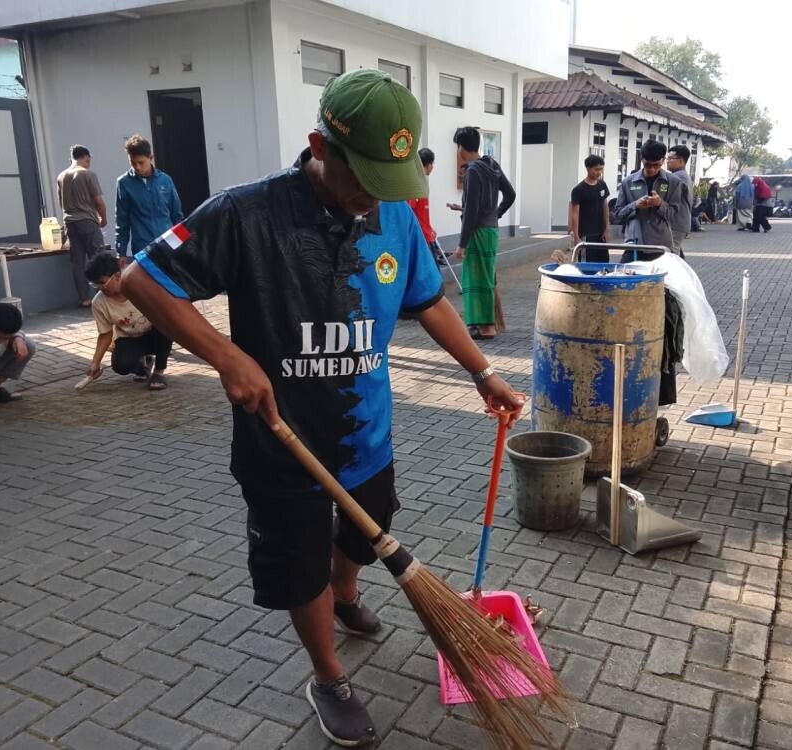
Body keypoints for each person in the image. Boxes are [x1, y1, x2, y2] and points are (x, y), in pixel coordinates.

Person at [119, 69, 525, 747]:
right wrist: (226, 355)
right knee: (298, 561)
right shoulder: (245, 213)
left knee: (369, 530)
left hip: (366, 432)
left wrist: (481, 371)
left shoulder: (390, 211)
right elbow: (141, 277)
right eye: (364, 175)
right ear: (318, 146)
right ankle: (328, 674)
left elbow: (427, 300)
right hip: (282, 439)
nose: (377, 197)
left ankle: (347, 594)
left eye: (390, 180)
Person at [452, 126, 516, 340]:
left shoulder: (472, 170)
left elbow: (471, 210)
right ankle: (486, 324)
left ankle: (485, 326)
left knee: (474, 278)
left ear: (462, 147)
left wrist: (461, 243)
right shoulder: (491, 165)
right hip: (491, 231)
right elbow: (510, 194)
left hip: (477, 232)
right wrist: (495, 214)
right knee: (487, 276)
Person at [84, 252, 171, 390]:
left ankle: (159, 372)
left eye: (102, 282)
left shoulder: (141, 285)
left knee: (167, 325)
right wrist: (95, 363)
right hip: (129, 338)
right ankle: (142, 367)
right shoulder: (98, 303)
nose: (100, 288)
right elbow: (105, 334)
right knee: (120, 365)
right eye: (95, 285)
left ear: (117, 276)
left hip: (155, 332)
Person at [114, 134, 183, 258]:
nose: (137, 167)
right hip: (142, 248)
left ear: (150, 158)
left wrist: (183, 244)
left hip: (168, 245)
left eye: (141, 162)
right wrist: (121, 253)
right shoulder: (124, 183)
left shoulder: (165, 180)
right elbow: (122, 222)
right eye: (133, 163)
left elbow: (177, 215)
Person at [56, 144, 108, 307]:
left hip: (70, 222)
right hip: (88, 221)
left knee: (77, 262)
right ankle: (103, 294)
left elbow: (61, 203)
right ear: (86, 157)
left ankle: (84, 299)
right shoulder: (88, 174)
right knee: (98, 258)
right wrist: (103, 218)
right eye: (89, 158)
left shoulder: (61, 176)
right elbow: (99, 201)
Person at [614, 139, 681, 258]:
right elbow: (618, 215)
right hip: (634, 243)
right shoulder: (628, 182)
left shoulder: (673, 183)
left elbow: (675, 216)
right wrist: (635, 205)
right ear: (641, 159)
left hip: (660, 245)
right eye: (647, 165)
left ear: (663, 160)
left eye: (656, 165)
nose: (651, 169)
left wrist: (660, 203)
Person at [405, 148, 447, 265]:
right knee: (430, 273)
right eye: (432, 164)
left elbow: (421, 213)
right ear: (429, 165)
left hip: (426, 235)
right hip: (421, 238)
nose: (432, 167)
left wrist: (429, 227)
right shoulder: (416, 184)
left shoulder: (421, 182)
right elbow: (411, 212)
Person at [569, 154, 611, 261]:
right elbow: (574, 213)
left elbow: (605, 207)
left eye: (601, 169)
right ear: (588, 168)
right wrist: (576, 237)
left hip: (600, 234)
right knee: (586, 265)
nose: (599, 173)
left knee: (603, 264)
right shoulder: (578, 190)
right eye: (596, 169)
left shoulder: (602, 185)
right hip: (586, 235)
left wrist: (606, 229)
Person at [666, 145, 693, 254]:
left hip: (676, 222)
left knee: (671, 254)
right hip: (680, 222)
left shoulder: (678, 177)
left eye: (671, 159)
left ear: (681, 161)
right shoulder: (682, 176)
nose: (667, 161)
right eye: (667, 158)